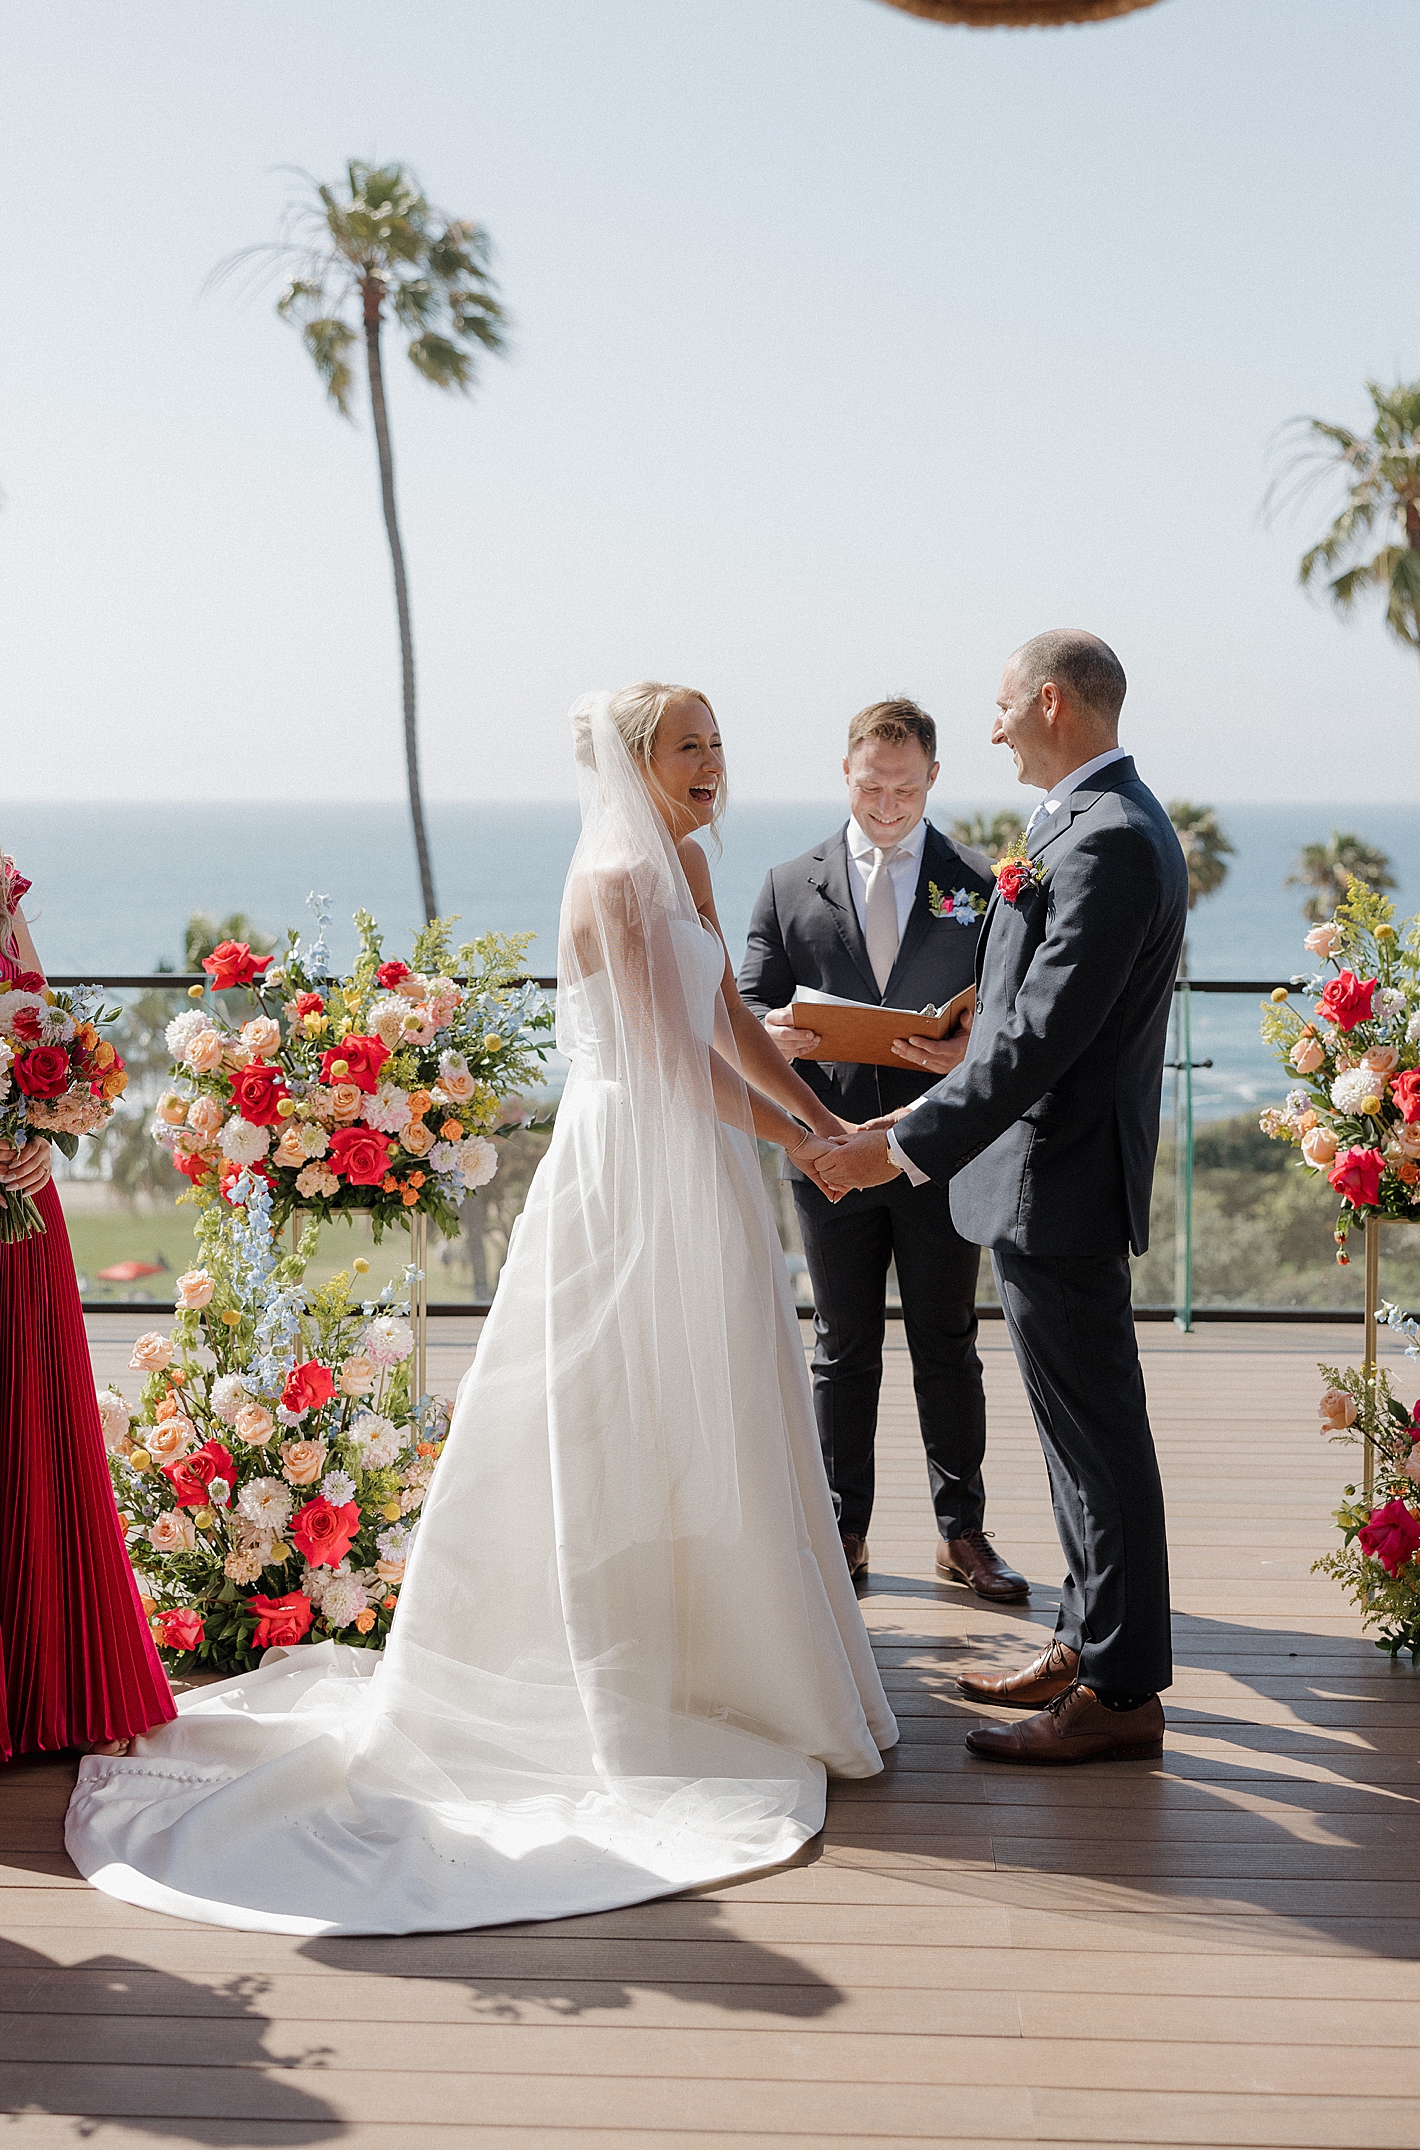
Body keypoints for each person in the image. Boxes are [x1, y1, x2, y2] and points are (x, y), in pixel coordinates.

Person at [65, 688, 897, 1935]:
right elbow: (668, 1062)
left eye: (719, 743)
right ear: (635, 763)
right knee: (605, 1413)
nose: (713, 763)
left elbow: (726, 1017)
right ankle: (605, 1681)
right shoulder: (617, 877)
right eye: (690, 747)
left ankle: (730, 1665)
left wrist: (824, 1125)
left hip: (703, 1172)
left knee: (723, 1400)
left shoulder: (682, 861)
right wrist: (808, 1145)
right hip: (628, 1167)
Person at [815, 633, 1187, 1766]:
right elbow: (1038, 1000)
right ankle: (1085, 1639)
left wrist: (899, 1145)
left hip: (1060, 1180)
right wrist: (977, 1000)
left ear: (1052, 703)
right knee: (1075, 1439)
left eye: (1003, 709)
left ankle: (1123, 1695)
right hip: (1037, 1181)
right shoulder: (1086, 822)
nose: (993, 730)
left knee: (1101, 1438)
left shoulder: (1112, 837)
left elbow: (1046, 1043)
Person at [739, 698, 1028, 1604]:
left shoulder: (981, 884)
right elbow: (743, 1005)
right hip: (826, 1147)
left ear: (935, 778)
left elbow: (1019, 1020)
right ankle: (842, 1528)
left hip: (939, 1148)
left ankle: (962, 1531)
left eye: (906, 786)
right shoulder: (790, 884)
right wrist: (777, 1029)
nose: (890, 803)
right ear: (845, 774)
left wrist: (963, 1054)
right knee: (842, 1343)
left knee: (949, 1340)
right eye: (872, 786)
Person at [0, 852, 176, 1761]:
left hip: (18, 1205)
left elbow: (39, 1029)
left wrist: (36, 1127)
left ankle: (46, 1693)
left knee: (35, 1424)